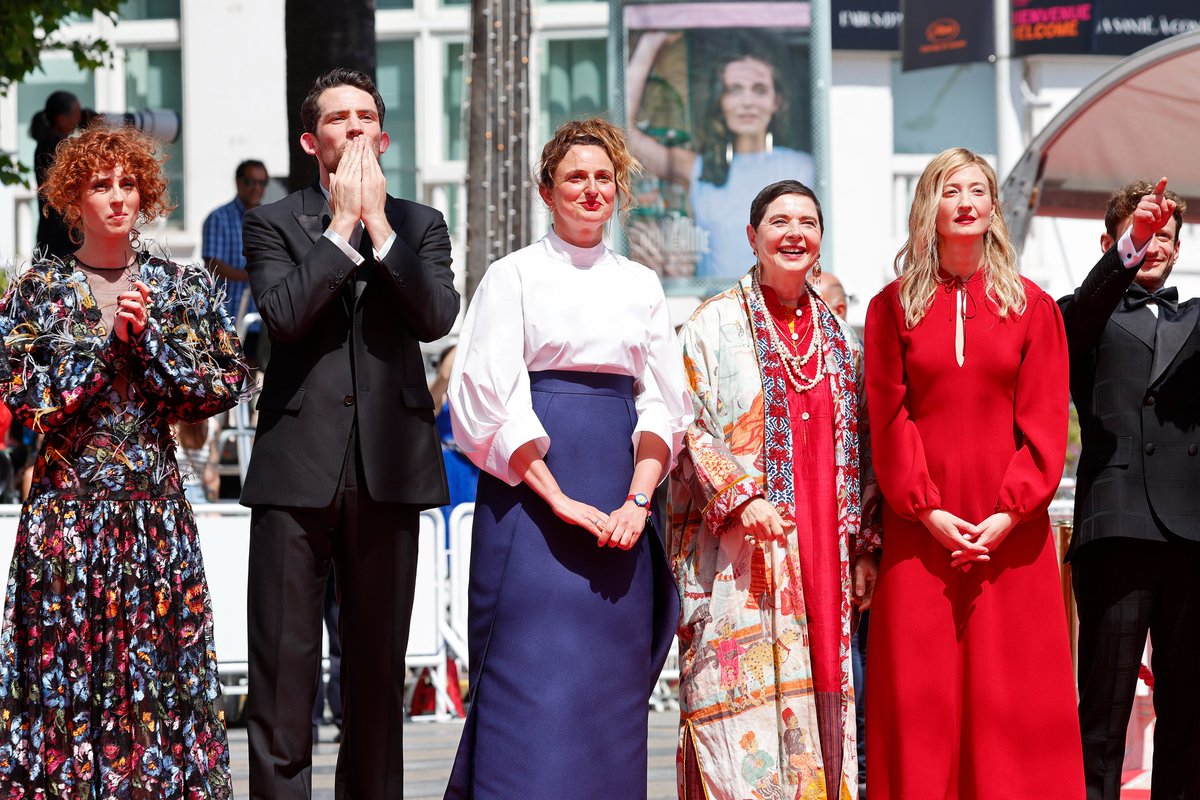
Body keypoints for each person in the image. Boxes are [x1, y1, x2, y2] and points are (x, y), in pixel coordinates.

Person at [0, 125, 252, 797]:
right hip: (66, 522)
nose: (117, 198)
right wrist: (107, 344)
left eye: (128, 184)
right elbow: (32, 403)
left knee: (158, 682)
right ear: (71, 198)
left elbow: (224, 382)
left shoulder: (180, 286)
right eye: (99, 185)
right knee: (66, 678)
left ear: (147, 195)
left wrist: (150, 349)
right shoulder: (36, 292)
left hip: (152, 521)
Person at [444, 117, 691, 799]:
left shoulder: (642, 283)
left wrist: (638, 502)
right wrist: (558, 498)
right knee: (528, 687)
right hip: (529, 505)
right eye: (574, 177)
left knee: (607, 697)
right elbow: (488, 398)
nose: (590, 189)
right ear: (547, 191)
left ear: (619, 189)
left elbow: (664, 405)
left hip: (621, 510)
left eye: (603, 177)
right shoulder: (512, 275)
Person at [241, 67, 457, 800]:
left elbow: (434, 318)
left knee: (374, 677)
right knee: (282, 673)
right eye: (340, 119)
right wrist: (340, 228)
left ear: (385, 136)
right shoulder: (273, 222)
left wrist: (380, 228)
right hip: (295, 470)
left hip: (389, 469)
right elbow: (285, 319)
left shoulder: (422, 224)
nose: (356, 128)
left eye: (367, 117)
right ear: (312, 140)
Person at [864, 147, 1083, 798]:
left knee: (1013, 700)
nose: (963, 202)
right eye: (949, 189)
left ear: (993, 209)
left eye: (977, 190)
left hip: (1009, 538)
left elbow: (1044, 425)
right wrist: (926, 511)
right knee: (921, 704)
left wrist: (1005, 515)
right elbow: (888, 418)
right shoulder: (890, 309)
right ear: (927, 205)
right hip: (918, 535)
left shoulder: (1034, 308)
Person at [671, 179, 881, 800]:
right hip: (741, 559)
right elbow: (681, 426)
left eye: (808, 223)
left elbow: (865, 449)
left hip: (826, 555)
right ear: (752, 236)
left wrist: (865, 546)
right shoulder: (712, 325)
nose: (794, 234)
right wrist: (739, 493)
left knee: (828, 705)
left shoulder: (841, 342)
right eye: (779, 222)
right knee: (736, 719)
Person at [1058, 178, 1199, 800]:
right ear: (1111, 242)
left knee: (1190, 713)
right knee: (1104, 711)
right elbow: (1087, 310)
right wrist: (1129, 246)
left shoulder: (1194, 318)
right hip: (1115, 530)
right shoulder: (1078, 315)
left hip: (1192, 535)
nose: (1156, 247)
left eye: (1166, 237)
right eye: (1144, 236)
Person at [627, 33, 814, 279]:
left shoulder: (803, 168)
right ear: (720, 102)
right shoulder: (699, 168)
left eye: (759, 90)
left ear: (776, 102)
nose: (747, 102)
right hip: (717, 311)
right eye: (734, 90)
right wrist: (650, 43)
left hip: (780, 311)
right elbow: (625, 136)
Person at [202, 159, 268, 364]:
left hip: (260, 317)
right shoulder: (218, 217)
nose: (256, 187)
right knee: (228, 375)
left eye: (262, 183)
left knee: (256, 378)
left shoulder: (269, 219)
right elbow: (213, 264)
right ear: (239, 183)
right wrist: (252, 275)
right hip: (227, 316)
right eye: (251, 182)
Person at [30, 90, 82, 260]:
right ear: (62, 119)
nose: (79, 119)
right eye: (76, 114)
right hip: (59, 234)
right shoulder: (53, 147)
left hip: (54, 231)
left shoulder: (48, 143)